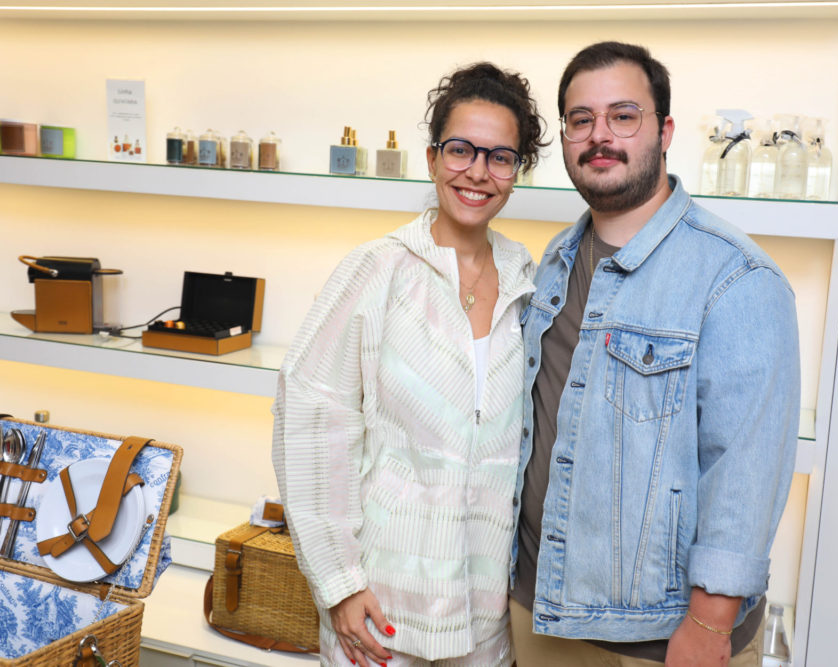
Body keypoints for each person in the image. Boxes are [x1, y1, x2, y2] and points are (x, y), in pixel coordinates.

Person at [510, 41, 801, 667]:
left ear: (665, 132)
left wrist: (709, 625)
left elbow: (745, 472)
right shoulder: (557, 258)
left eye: (623, 116)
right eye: (581, 119)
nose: (599, 135)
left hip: (660, 639)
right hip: (536, 611)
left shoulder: (736, 277)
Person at [272, 62, 546, 667]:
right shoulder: (376, 270)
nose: (478, 171)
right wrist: (340, 584)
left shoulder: (529, 282)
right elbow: (312, 422)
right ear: (431, 158)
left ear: (517, 171)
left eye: (501, 157)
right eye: (461, 150)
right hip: (380, 612)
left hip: (486, 618)